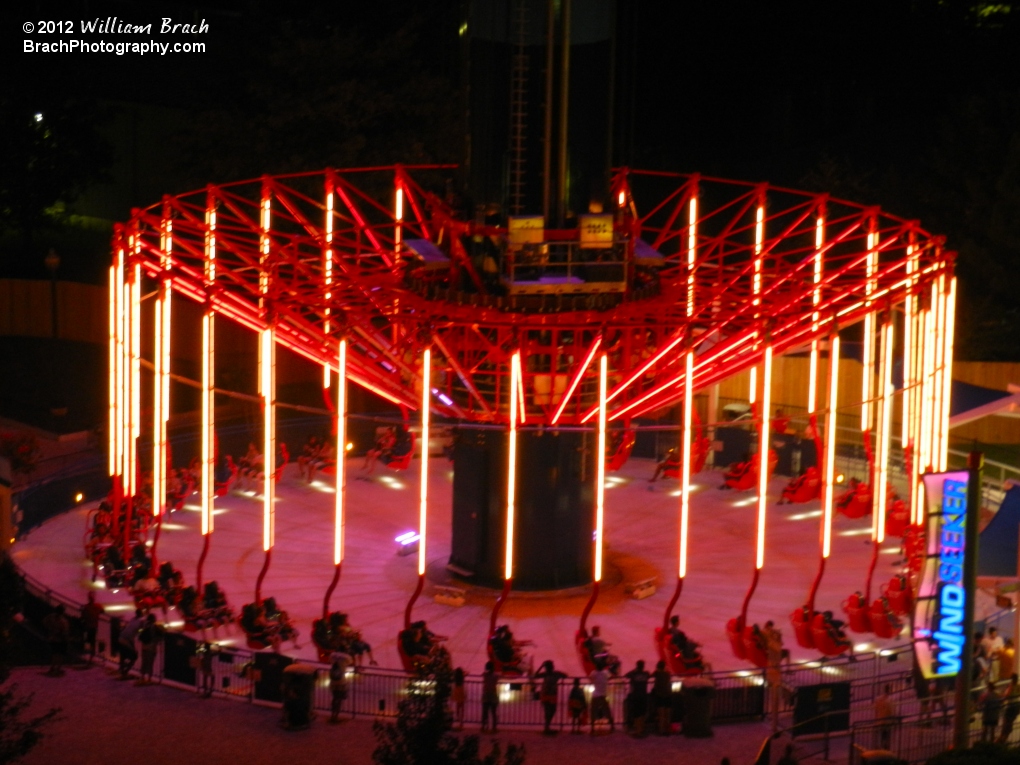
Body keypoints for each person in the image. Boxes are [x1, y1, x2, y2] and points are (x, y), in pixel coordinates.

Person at [535, 660, 568, 734]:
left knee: (551, 710)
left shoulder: (548, 674)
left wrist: (541, 666)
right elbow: (565, 675)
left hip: (549, 694)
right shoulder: (554, 674)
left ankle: (547, 726)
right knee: (549, 710)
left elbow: (535, 676)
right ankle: (547, 727)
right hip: (548, 694)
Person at [624, 660, 650, 737]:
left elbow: (626, 675)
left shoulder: (633, 674)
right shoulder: (646, 674)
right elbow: (649, 675)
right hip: (644, 695)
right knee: (642, 713)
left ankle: (638, 731)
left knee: (636, 714)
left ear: (637, 666)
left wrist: (634, 670)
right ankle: (641, 729)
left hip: (635, 696)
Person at [42, 604, 70, 676]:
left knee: (54, 654)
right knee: (60, 655)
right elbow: (65, 631)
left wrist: (49, 629)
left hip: (52, 638)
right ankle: (58, 668)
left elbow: (44, 622)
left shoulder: (51, 617)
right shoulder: (63, 621)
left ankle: (53, 667)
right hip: (60, 639)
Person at [118, 608, 145, 680]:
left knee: (123, 656)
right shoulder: (140, 622)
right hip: (126, 640)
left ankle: (122, 670)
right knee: (134, 656)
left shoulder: (132, 619)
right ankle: (125, 672)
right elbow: (141, 629)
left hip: (121, 637)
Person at [589, 661, 615, 734]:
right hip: (603, 695)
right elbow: (611, 677)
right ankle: (612, 726)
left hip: (595, 695)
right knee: (607, 711)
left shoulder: (593, 673)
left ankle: (592, 728)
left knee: (593, 711)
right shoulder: (605, 673)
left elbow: (590, 679)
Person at [136, 613, 162, 685]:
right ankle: (149, 679)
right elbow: (161, 634)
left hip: (144, 647)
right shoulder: (154, 627)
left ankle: (142, 677)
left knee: (144, 663)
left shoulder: (145, 625)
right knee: (150, 664)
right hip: (151, 647)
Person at [81, 592, 105, 666]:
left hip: (88, 627)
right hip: (93, 627)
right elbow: (103, 611)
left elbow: (83, 616)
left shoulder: (86, 607)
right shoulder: (97, 606)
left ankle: (90, 657)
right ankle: (91, 657)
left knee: (89, 642)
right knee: (92, 642)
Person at [329, 652, 351, 723]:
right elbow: (350, 662)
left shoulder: (333, 655)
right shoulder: (346, 657)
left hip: (333, 681)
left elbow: (329, 660)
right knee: (339, 699)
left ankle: (332, 715)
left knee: (335, 698)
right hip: (341, 681)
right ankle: (336, 717)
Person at [651, 659, 673, 736]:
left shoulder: (657, 673)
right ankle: (667, 729)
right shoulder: (667, 673)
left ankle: (661, 730)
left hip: (660, 695)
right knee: (667, 713)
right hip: (668, 694)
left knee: (661, 713)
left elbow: (651, 675)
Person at [874, 684, 897, 749]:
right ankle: (885, 747)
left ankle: (881, 745)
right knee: (887, 735)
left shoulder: (878, 699)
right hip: (887, 721)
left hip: (880, 720)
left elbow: (876, 710)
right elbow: (892, 711)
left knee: (882, 734)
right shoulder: (890, 700)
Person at [999, 673, 1020, 743]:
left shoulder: (1011, 687)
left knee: (1006, 723)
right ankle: (1004, 737)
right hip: (1016, 706)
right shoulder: (1018, 686)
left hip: (1010, 706)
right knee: (1010, 722)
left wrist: (1002, 698)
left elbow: (1006, 695)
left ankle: (1002, 738)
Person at [481, 661, 499, 733]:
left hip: (486, 695)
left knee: (485, 712)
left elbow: (483, 674)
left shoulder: (485, 675)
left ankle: (484, 726)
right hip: (493, 695)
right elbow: (497, 677)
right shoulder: (495, 676)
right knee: (493, 712)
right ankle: (494, 727)